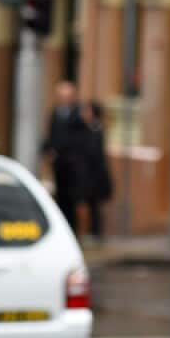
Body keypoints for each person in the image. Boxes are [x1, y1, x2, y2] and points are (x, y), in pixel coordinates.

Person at [43, 80, 89, 232]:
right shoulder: (56, 113)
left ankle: (73, 229)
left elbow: (79, 139)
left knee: (73, 199)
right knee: (61, 197)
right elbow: (51, 135)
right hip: (59, 164)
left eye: (66, 95)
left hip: (73, 165)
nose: (63, 98)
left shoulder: (79, 114)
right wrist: (48, 150)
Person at [78, 100, 113, 242]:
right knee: (91, 204)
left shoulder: (96, 130)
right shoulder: (89, 129)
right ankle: (93, 232)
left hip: (94, 176)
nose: (84, 114)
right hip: (90, 175)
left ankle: (95, 233)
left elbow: (94, 154)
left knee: (94, 205)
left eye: (87, 111)